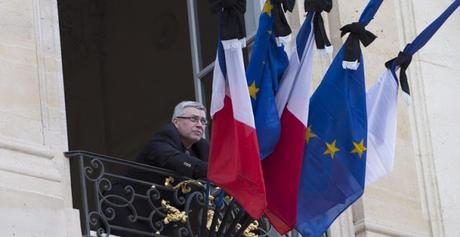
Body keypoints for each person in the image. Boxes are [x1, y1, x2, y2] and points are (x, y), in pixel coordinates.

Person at [136, 101, 208, 179]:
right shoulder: (164, 136)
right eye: (193, 119)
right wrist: (207, 169)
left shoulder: (202, 147)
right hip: (132, 190)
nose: (200, 125)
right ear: (176, 122)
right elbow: (175, 159)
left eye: (203, 121)